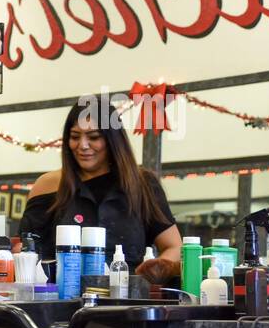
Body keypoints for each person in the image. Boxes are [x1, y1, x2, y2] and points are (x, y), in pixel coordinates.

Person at [19, 95, 183, 284]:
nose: (83, 145)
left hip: (127, 300)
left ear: (113, 140)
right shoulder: (48, 185)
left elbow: (174, 247)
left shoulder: (143, 185)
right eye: (74, 137)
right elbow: (25, 249)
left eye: (94, 137)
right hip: (63, 301)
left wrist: (160, 266)